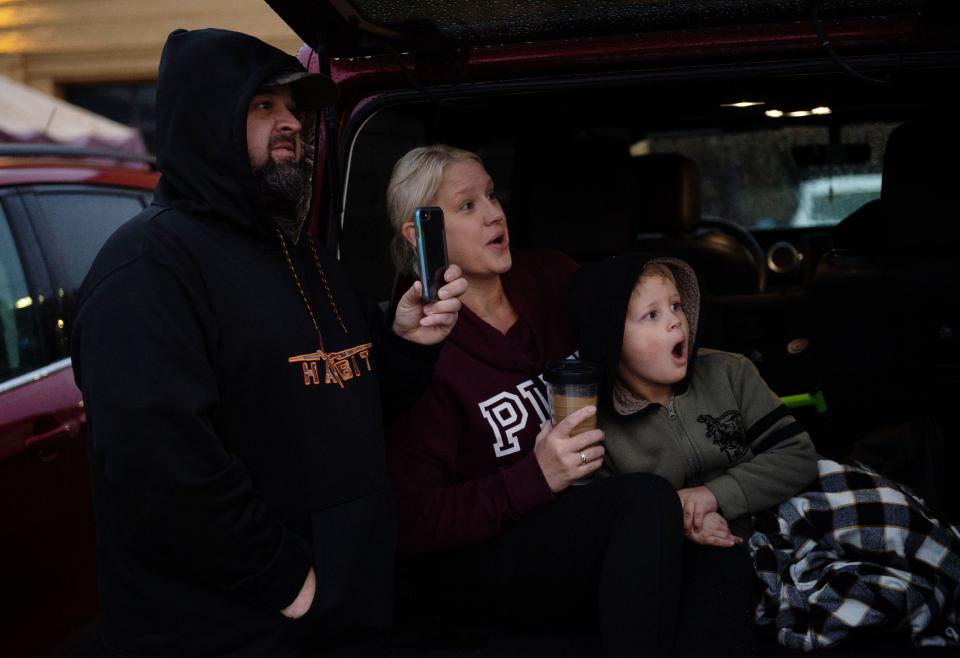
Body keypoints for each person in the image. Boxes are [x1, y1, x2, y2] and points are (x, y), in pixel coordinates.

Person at [71, 29, 466, 657]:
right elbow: (160, 466)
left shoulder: (302, 251)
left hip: (339, 611)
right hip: (228, 628)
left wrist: (406, 343)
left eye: (293, 110)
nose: (290, 125)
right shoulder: (149, 266)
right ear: (208, 120)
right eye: (262, 107)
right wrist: (287, 581)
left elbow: (348, 405)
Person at [385, 145, 693, 657]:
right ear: (422, 236)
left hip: (582, 514)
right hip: (485, 557)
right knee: (647, 501)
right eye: (468, 206)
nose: (494, 212)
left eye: (492, 194)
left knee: (712, 551)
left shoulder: (550, 277)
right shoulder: (417, 346)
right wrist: (535, 478)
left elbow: (652, 320)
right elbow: (413, 521)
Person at [574, 254, 821, 654]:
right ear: (610, 339)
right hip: (695, 552)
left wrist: (712, 496)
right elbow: (617, 526)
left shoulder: (729, 372)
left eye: (675, 306)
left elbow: (798, 455)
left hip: (771, 520)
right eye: (650, 316)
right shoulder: (600, 427)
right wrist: (683, 521)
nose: (675, 321)